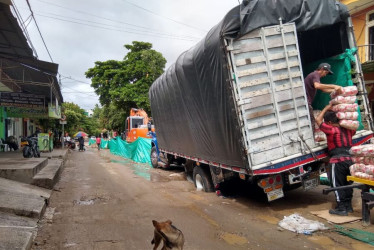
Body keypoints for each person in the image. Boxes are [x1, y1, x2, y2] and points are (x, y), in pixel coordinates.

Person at [316, 103, 356, 216]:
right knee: (348, 183)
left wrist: (326, 107)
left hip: (337, 161)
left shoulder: (331, 130)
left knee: (337, 185)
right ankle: (348, 206)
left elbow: (318, 120)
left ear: (329, 123)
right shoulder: (349, 130)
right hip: (349, 160)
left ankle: (341, 208)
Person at [304, 63, 342, 131]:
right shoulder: (315, 74)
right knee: (311, 122)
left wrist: (336, 90)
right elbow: (317, 86)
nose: (325, 75)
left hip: (306, 103)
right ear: (321, 69)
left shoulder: (315, 76)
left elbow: (324, 89)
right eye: (326, 72)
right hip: (306, 103)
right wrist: (333, 86)